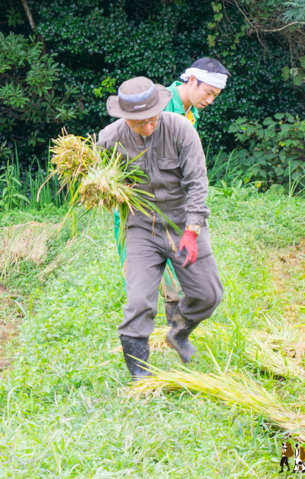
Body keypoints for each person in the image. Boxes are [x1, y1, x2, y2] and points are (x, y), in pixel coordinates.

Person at [99, 76, 224, 380]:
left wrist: (193, 230)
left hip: (182, 222)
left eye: (151, 118)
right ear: (125, 116)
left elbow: (197, 182)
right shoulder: (109, 139)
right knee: (138, 301)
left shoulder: (181, 129)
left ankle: (179, 331)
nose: (148, 126)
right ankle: (140, 375)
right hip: (142, 226)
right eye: (139, 122)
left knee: (209, 294)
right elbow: (101, 180)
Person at [113, 59, 230, 326]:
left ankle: (173, 332)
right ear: (191, 81)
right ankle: (150, 333)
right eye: (208, 92)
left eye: (215, 96)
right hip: (142, 207)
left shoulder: (191, 113)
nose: (210, 100)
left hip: (171, 205)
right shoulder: (159, 107)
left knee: (179, 267)